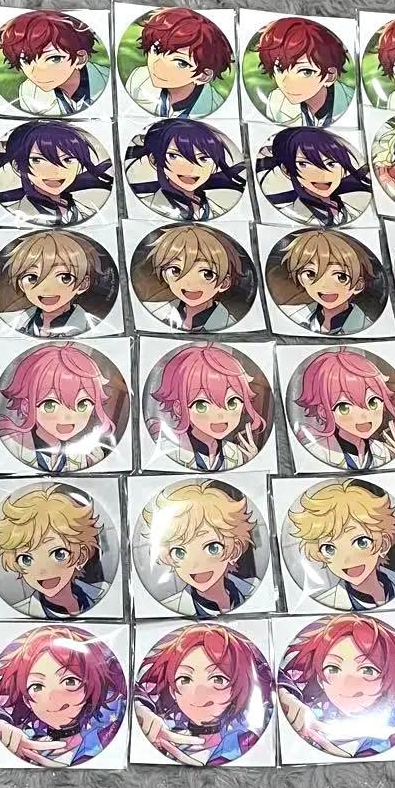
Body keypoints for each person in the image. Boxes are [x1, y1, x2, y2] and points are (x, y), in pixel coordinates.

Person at [277, 615, 395, 757]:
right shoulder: (311, 711)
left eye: (368, 670)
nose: (348, 687)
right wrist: (285, 696)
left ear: (390, 675)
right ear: (319, 679)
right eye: (333, 669)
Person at [0, 625, 126, 766]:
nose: (53, 699)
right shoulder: (23, 737)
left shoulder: (100, 738)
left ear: (90, 686)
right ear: (26, 700)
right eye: (37, 686)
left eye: (70, 681)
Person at [134, 623, 271, 766]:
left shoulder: (243, 740)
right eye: (185, 679)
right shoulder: (163, 732)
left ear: (239, 685)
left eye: (218, 679)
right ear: (172, 691)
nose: (200, 694)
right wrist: (141, 708)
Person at [287, 479, 395, 610]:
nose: (347, 559)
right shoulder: (326, 604)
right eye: (329, 549)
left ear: (384, 545)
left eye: (361, 542)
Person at [141, 480, 258, 617]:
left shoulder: (257, 589)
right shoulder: (166, 610)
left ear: (235, 551)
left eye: (213, 548)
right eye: (180, 552)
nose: (195, 564)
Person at [0, 343, 116, 473]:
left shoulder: (83, 455)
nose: (68, 417)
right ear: (26, 407)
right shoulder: (9, 446)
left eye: (82, 404)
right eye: (50, 405)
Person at [0, 485, 107, 618]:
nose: (42, 571)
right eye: (26, 559)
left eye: (59, 554)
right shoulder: (16, 613)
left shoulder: (105, 593)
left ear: (82, 556)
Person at [148, 343, 269, 471]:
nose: (221, 415)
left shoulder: (237, 454)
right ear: (179, 408)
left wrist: (253, 465)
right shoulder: (167, 450)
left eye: (232, 402)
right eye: (201, 405)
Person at [293, 348, 395, 471]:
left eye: (373, 402)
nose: (364, 415)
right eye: (344, 407)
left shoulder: (384, 451)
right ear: (323, 412)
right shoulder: (315, 452)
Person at [0, 120, 113, 226]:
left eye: (68, 159)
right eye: (37, 160)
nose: (56, 171)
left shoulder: (86, 211)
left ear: (80, 164)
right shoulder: (13, 212)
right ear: (17, 166)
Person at [124, 118, 246, 221]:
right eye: (174, 156)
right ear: (154, 160)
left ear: (214, 165)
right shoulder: (144, 207)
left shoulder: (217, 209)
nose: (190, 169)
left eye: (203, 158)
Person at [125, 7, 233, 118]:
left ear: (203, 76)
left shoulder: (214, 106)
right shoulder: (138, 79)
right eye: (156, 50)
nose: (158, 66)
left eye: (181, 63)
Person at [0, 9, 108, 116]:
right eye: (25, 60)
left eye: (54, 59)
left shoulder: (107, 79)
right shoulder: (28, 91)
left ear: (80, 59)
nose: (37, 73)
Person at [257, 127, 372, 227]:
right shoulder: (289, 213)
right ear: (286, 170)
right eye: (304, 164)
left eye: (331, 163)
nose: (322, 174)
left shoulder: (351, 212)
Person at [141, 225, 243, 332]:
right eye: (175, 270)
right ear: (165, 276)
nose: (189, 283)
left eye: (207, 274)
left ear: (224, 283)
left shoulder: (236, 327)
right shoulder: (150, 311)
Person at [253, 17, 352, 126]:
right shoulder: (276, 101)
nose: (287, 83)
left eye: (306, 72)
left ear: (330, 76)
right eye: (279, 69)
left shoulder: (351, 101)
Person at [0, 230, 101, 337]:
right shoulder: (7, 321)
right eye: (32, 278)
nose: (46, 289)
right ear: (21, 284)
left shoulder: (95, 327)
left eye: (65, 277)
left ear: (83, 284)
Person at [277, 229, 377, 335]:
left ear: (358, 285)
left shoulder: (370, 328)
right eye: (311, 274)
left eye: (341, 277)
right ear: (301, 279)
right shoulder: (287, 314)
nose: (325, 286)